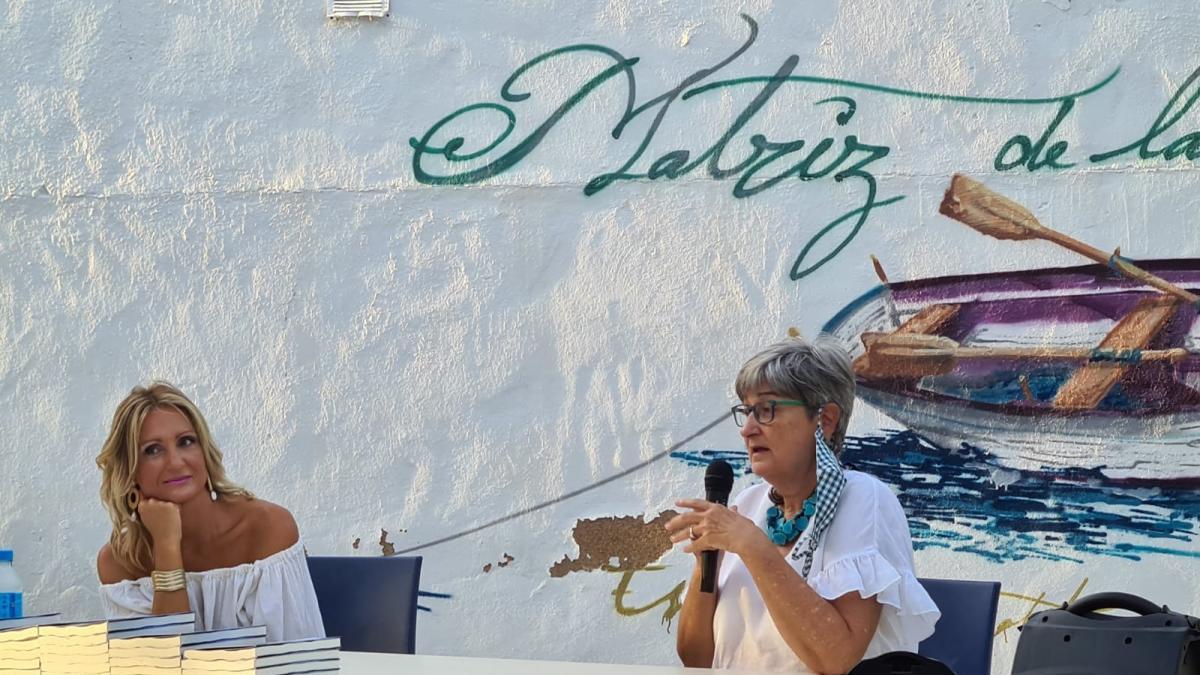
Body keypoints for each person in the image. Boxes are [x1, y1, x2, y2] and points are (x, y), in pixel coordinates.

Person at [667, 338, 939, 673]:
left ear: (824, 419)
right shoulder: (748, 504)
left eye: (766, 410)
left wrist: (752, 546)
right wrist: (703, 566)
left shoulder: (862, 499)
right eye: (746, 412)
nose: (748, 430)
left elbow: (834, 660)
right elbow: (696, 659)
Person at [95, 382, 325, 642]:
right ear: (130, 470)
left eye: (186, 442)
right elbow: (161, 664)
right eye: (153, 450)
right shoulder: (119, 563)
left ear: (204, 450)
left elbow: (293, 659)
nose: (176, 462)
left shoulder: (268, 529)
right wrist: (167, 545)